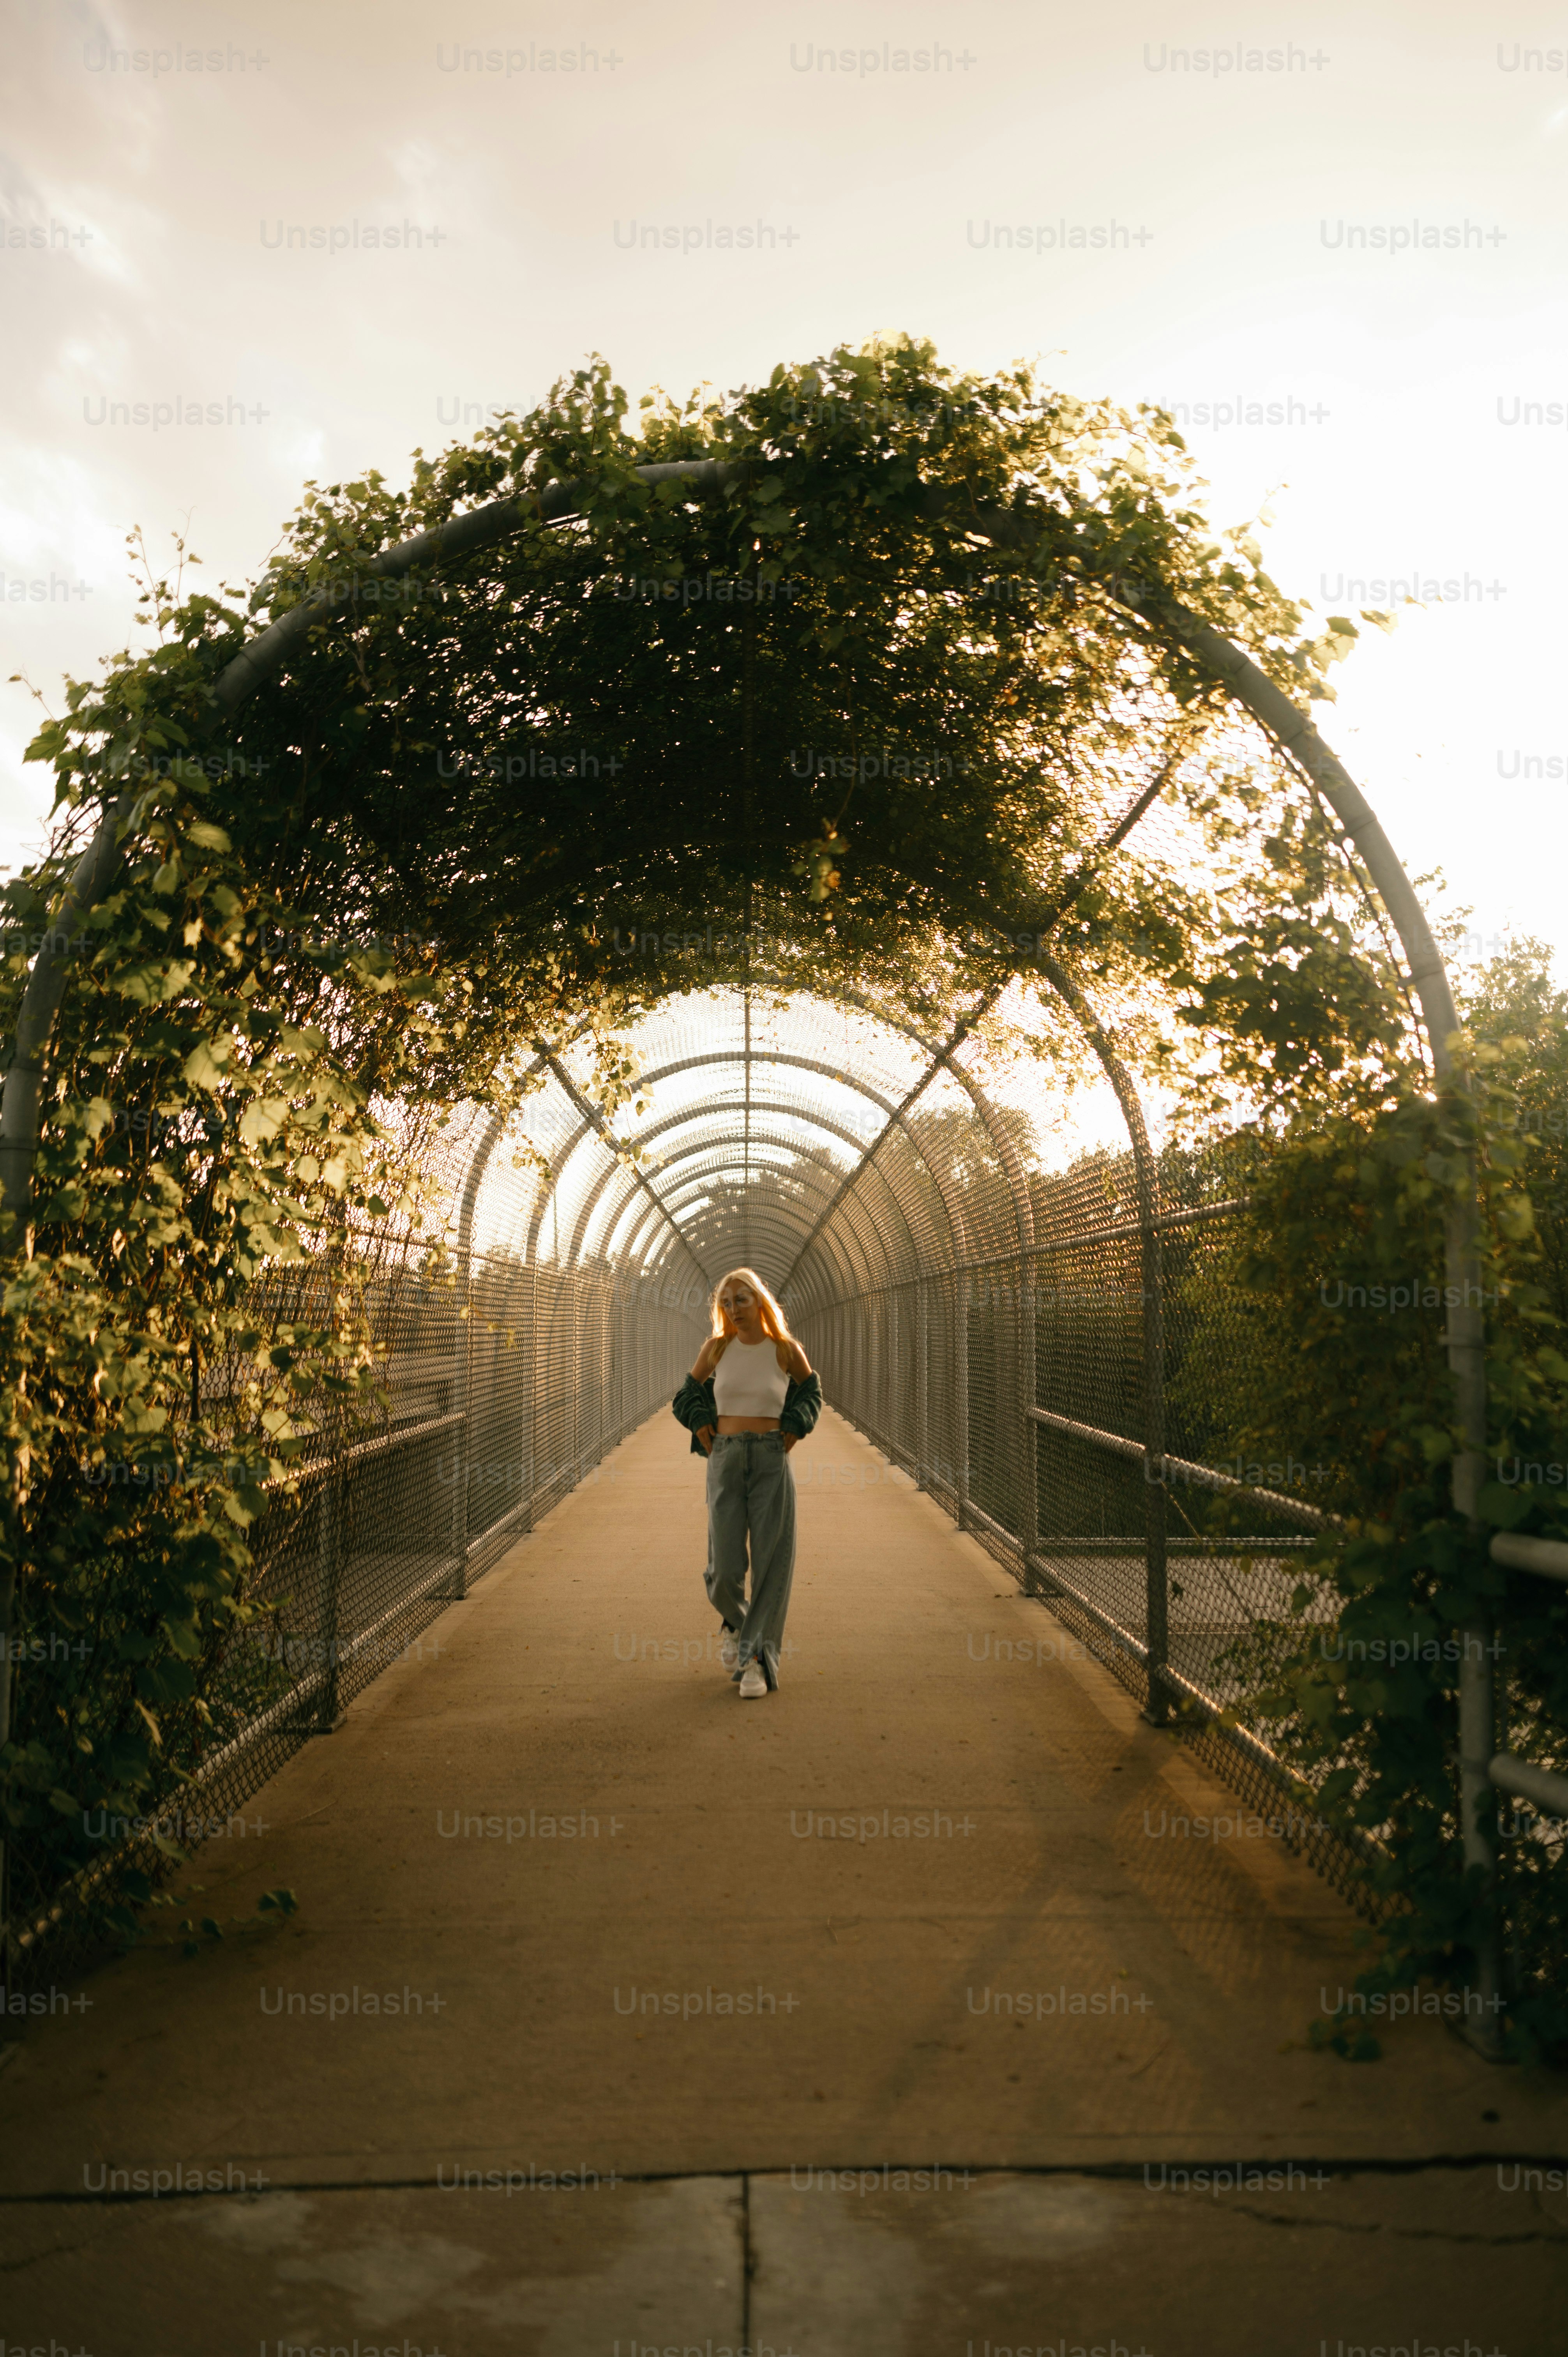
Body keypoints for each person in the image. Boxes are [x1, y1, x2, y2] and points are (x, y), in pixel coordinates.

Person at [671, 1268, 822, 1698]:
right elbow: (686, 1392)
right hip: (726, 1457)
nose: (732, 1309)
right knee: (724, 1570)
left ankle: (756, 1661)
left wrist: (795, 1424)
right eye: (725, 1302)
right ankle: (737, 1626)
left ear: (759, 1301)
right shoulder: (716, 1349)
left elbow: (811, 1391)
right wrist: (700, 1421)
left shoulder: (784, 1350)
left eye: (740, 1299)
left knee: (772, 1563)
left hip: (771, 1458)